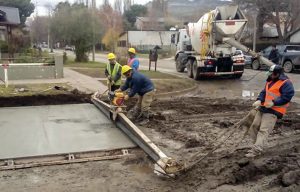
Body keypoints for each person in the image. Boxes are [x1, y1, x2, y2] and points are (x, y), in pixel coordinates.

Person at [245, 65, 294, 157]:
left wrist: (274, 103)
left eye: (272, 74)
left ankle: (256, 150)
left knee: (264, 130)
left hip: (274, 110)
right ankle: (257, 145)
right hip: (264, 107)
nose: (270, 76)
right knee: (254, 126)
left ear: (278, 74)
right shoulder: (270, 80)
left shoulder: (286, 83)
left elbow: (287, 97)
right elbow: (264, 92)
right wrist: (259, 99)